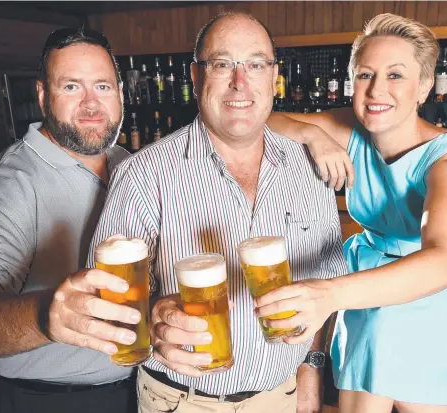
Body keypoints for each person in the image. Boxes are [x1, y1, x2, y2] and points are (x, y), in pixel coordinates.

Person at [88, 11, 347, 413]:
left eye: (256, 65)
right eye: (223, 63)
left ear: (273, 76)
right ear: (195, 77)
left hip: (282, 398)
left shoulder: (309, 167)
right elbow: (109, 308)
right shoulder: (142, 175)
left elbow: (323, 286)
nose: (239, 82)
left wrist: (310, 372)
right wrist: (156, 319)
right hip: (180, 402)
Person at [260, 13, 447, 413]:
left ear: (424, 86)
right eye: (365, 75)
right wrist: (312, 134)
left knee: (381, 341)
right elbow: (259, 119)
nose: (377, 90)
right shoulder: (348, 128)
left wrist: (329, 294)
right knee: (397, 378)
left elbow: (442, 264)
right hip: (375, 270)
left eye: (396, 75)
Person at [0, 27, 142, 413]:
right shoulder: (12, 182)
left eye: (103, 87)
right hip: (48, 400)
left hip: (138, 390)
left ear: (121, 95)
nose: (91, 104)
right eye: (71, 87)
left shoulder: (129, 165)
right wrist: (45, 317)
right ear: (43, 96)